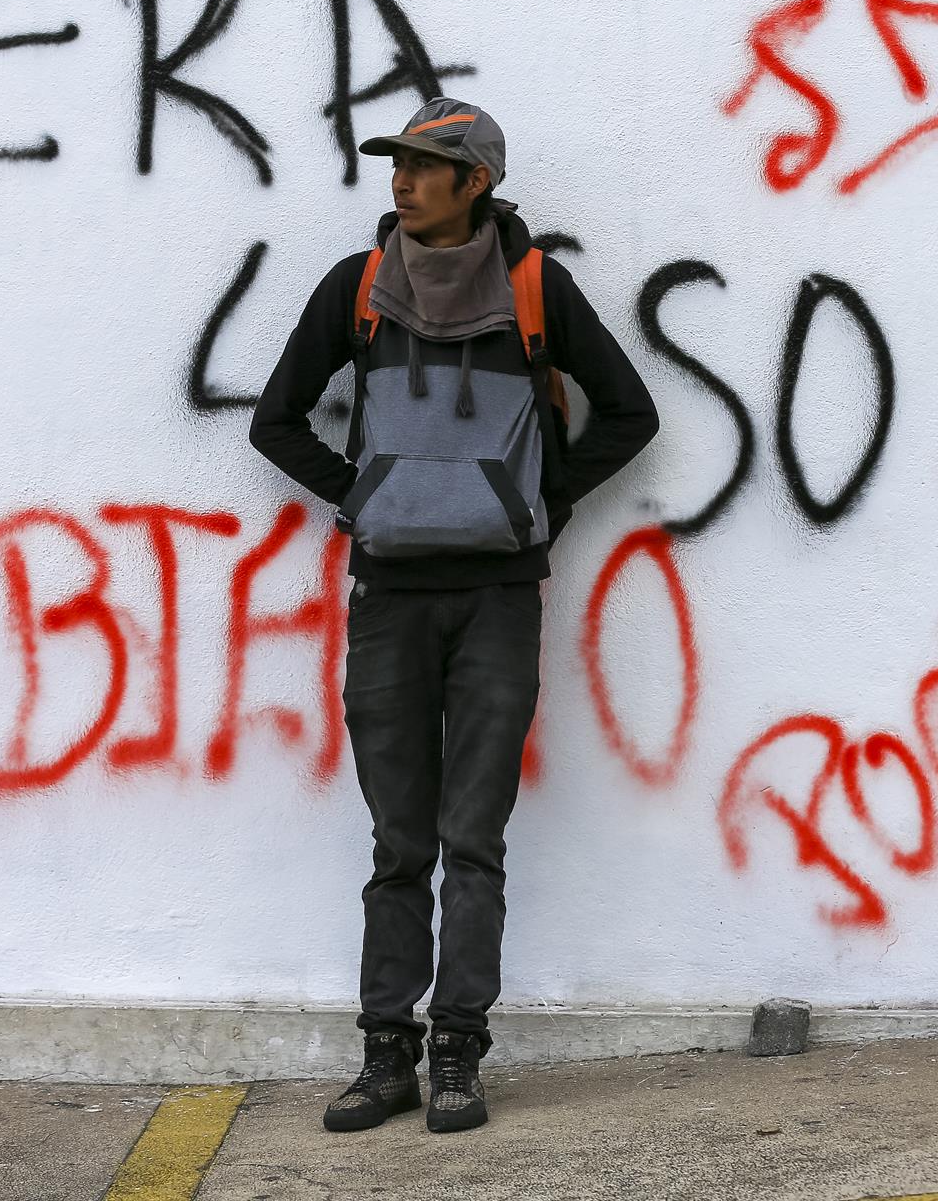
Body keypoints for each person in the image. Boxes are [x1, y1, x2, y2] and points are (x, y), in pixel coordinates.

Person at [248, 98, 658, 1133]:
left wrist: (541, 504)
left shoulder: (532, 288)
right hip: (390, 594)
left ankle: (457, 1053)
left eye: (427, 166)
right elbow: (275, 418)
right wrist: (362, 494)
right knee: (399, 842)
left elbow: (630, 411)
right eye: (397, 163)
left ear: (476, 181)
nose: (401, 180)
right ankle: (383, 1053)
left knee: (473, 839)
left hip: (497, 597)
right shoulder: (358, 288)